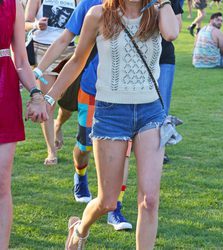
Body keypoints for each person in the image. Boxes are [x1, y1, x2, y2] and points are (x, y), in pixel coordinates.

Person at [41, 0, 179, 248]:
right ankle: (79, 228)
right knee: (108, 202)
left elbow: (172, 33)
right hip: (111, 113)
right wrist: (51, 97)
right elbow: (77, 60)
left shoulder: (157, 13)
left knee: (149, 199)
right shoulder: (98, 14)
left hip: (150, 112)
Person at [35, 0, 133, 231]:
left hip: (125, 94)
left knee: (123, 151)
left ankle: (115, 209)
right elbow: (64, 40)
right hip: (91, 88)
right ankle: (80, 175)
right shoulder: (91, 5)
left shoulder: (139, 5)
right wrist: (39, 71)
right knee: (85, 147)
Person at [0, 0, 48, 248]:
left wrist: (36, 94)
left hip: (3, 93)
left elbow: (20, 60)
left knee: (1, 180)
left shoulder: (12, 5)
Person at [25, 0, 79, 165]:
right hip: (43, 51)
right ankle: (51, 151)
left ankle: (59, 124)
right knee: (48, 102)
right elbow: (25, 22)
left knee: (69, 104)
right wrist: (35, 24)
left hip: (69, 52)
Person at [158, 0, 183, 164]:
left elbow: (176, 30)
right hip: (139, 59)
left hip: (164, 58)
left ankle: (160, 151)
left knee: (162, 106)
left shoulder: (170, 1)